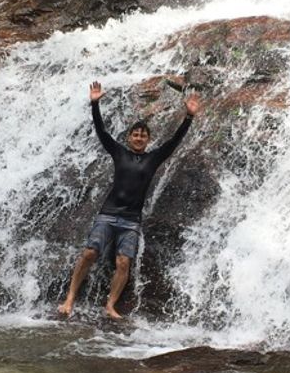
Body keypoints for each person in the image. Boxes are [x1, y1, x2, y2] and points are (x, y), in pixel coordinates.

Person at [58, 80, 201, 320]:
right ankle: (70, 298)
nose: (139, 137)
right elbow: (102, 132)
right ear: (129, 138)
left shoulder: (153, 158)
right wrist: (95, 103)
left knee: (123, 262)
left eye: (143, 135)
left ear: (148, 139)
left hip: (131, 220)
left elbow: (174, 142)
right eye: (135, 134)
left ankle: (110, 305)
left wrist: (188, 116)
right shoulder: (119, 152)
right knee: (90, 253)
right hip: (107, 214)